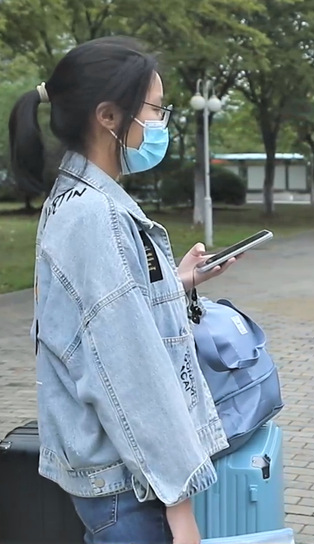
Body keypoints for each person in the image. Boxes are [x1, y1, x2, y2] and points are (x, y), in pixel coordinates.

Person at [9, 37, 237, 544]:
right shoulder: (96, 216)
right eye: (155, 109)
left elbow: (98, 317)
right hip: (131, 488)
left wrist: (173, 283)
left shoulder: (75, 199)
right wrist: (180, 503)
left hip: (120, 480)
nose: (160, 123)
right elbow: (129, 369)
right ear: (109, 116)